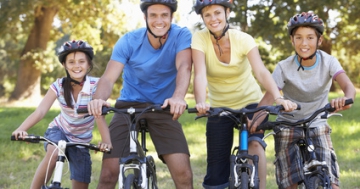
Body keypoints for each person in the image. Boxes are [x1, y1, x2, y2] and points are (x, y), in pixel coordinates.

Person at [86, 0, 193, 188]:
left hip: (163, 106)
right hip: (128, 106)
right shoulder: (128, 40)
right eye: (153, 15)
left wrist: (178, 97)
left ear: (171, 17)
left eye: (164, 15)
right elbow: (109, 78)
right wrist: (98, 100)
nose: (159, 20)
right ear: (145, 17)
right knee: (108, 175)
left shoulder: (181, 35)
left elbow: (184, 66)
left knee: (184, 175)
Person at [191, 1, 297, 189]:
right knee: (216, 173)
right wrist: (201, 102)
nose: (213, 19)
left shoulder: (243, 39)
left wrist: (278, 97)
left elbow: (261, 72)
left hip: (250, 103)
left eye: (217, 13)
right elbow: (199, 74)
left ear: (227, 12)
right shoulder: (199, 39)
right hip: (219, 107)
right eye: (207, 15)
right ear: (202, 18)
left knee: (255, 146)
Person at [252, 11, 356, 189]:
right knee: (289, 182)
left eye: (310, 37)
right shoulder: (283, 67)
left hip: (316, 122)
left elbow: (349, 87)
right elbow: (269, 98)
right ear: (292, 40)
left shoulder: (329, 62)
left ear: (319, 41)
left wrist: (347, 98)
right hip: (287, 123)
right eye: (298, 37)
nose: (304, 43)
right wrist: (255, 120)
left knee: (330, 181)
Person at [11, 40, 112, 189]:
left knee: (81, 180)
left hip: (82, 140)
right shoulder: (58, 85)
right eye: (71, 62)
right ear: (64, 65)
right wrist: (21, 129)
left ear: (89, 64)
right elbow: (40, 111)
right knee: (55, 149)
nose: (76, 66)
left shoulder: (96, 86)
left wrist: (106, 142)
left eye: (81, 61)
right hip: (59, 130)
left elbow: (99, 115)